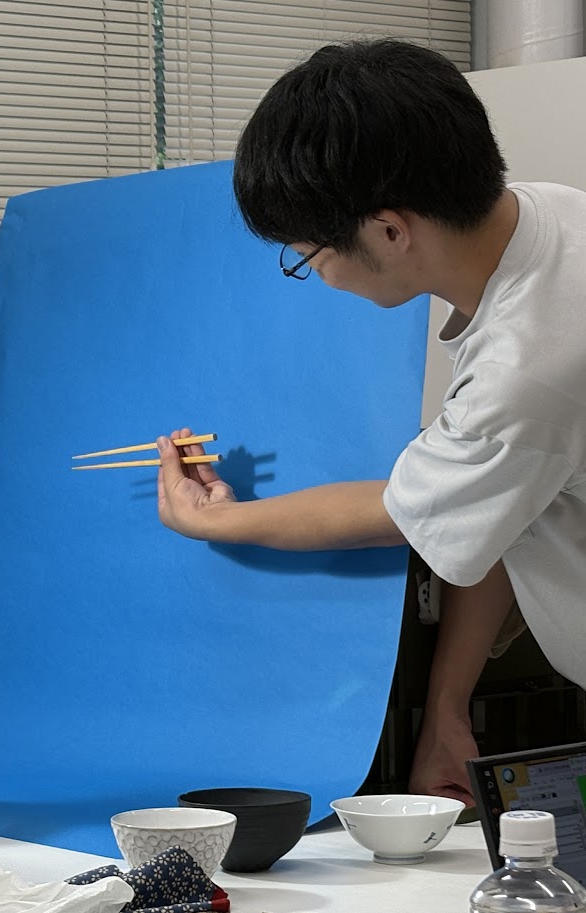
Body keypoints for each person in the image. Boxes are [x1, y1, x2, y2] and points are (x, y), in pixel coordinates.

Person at [154, 38, 586, 805]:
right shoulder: (553, 213)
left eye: (308, 255)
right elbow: (506, 504)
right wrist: (447, 706)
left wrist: (215, 520)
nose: (315, 274)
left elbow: (396, 511)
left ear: (390, 231)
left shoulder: (527, 370)